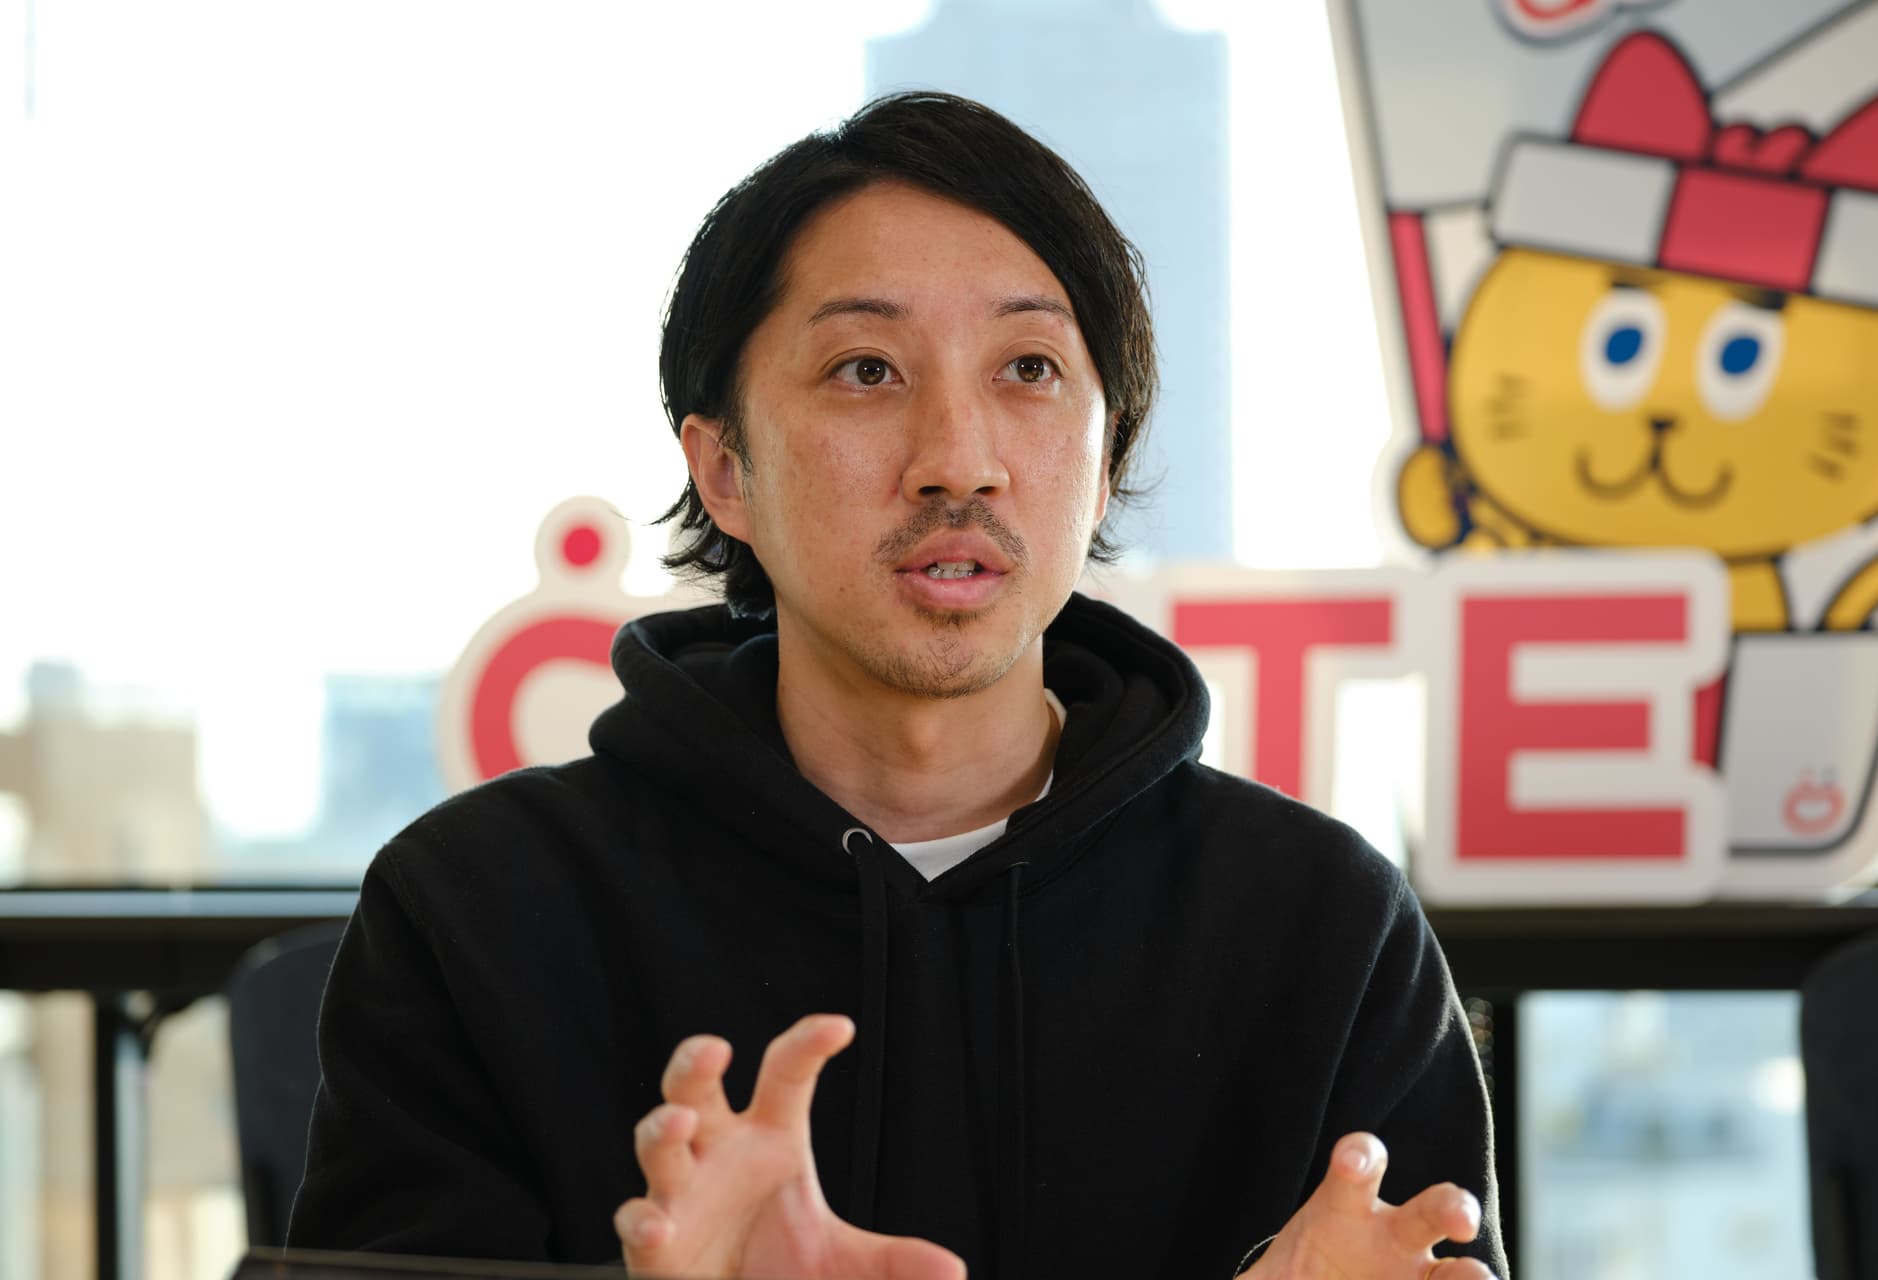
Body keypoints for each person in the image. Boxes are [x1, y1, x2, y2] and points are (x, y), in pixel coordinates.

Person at [288, 92, 1508, 1280]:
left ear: (1107, 453)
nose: (958, 460)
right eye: (867, 370)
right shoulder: (480, 914)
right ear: (725, 472)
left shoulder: (1323, 931)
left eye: (1028, 367)